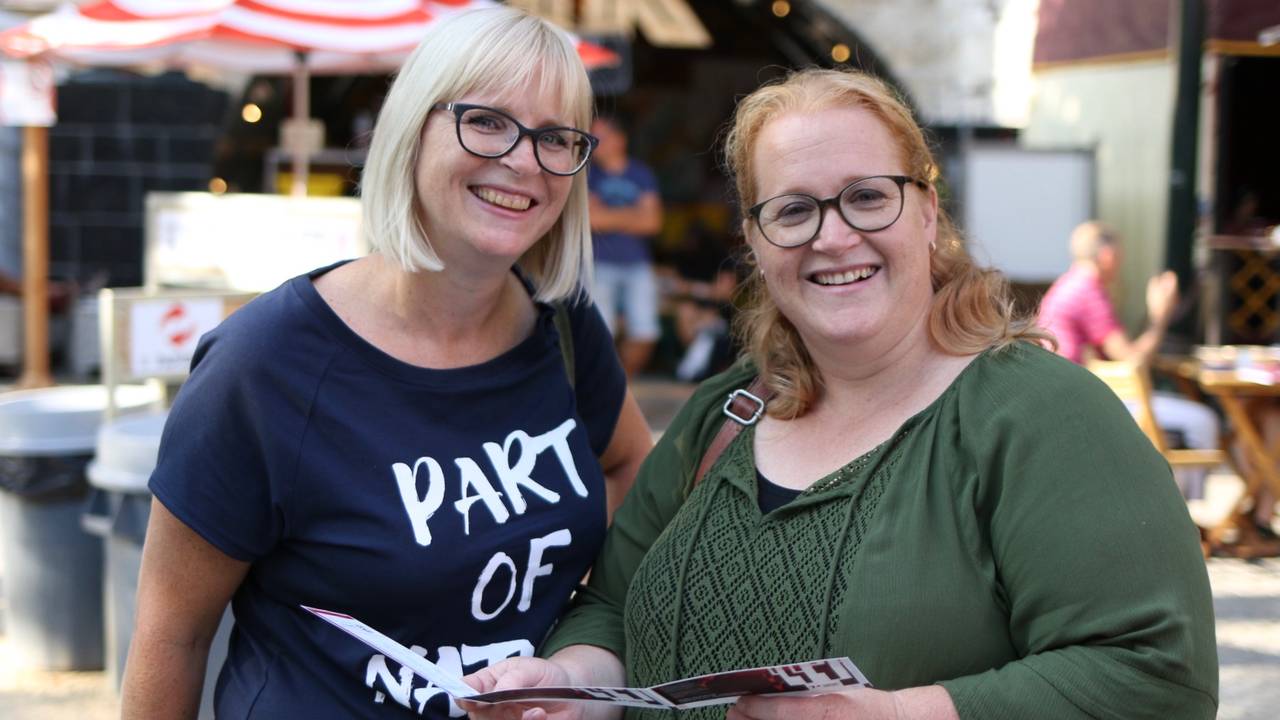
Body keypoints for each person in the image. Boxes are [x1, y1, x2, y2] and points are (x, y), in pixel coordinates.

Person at [464, 67, 1218, 719]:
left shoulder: (1039, 415)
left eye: (866, 197)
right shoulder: (725, 415)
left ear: (927, 212)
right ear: (756, 244)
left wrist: (903, 713)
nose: (832, 236)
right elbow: (612, 610)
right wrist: (565, 680)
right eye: (792, 210)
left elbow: (1158, 676)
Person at [120, 7, 652, 719]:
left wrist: (586, 644)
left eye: (555, 137)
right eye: (487, 121)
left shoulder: (563, 327)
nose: (524, 161)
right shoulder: (265, 366)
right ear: (411, 127)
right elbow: (172, 638)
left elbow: (632, 471)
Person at [1038, 221, 1220, 497]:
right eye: (1121, 257)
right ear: (1108, 256)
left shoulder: (1066, 286)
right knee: (1203, 422)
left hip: (1064, 400)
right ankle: (1188, 518)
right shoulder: (1089, 292)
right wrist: (1160, 317)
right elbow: (1131, 362)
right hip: (1087, 405)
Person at [587, 113, 663, 376]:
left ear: (620, 140)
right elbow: (590, 219)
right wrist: (634, 215)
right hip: (598, 263)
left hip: (637, 264)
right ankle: (610, 387)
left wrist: (608, 217)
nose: (594, 143)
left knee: (646, 331)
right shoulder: (586, 174)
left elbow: (652, 223)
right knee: (600, 333)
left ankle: (621, 384)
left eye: (600, 137)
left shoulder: (640, 173)